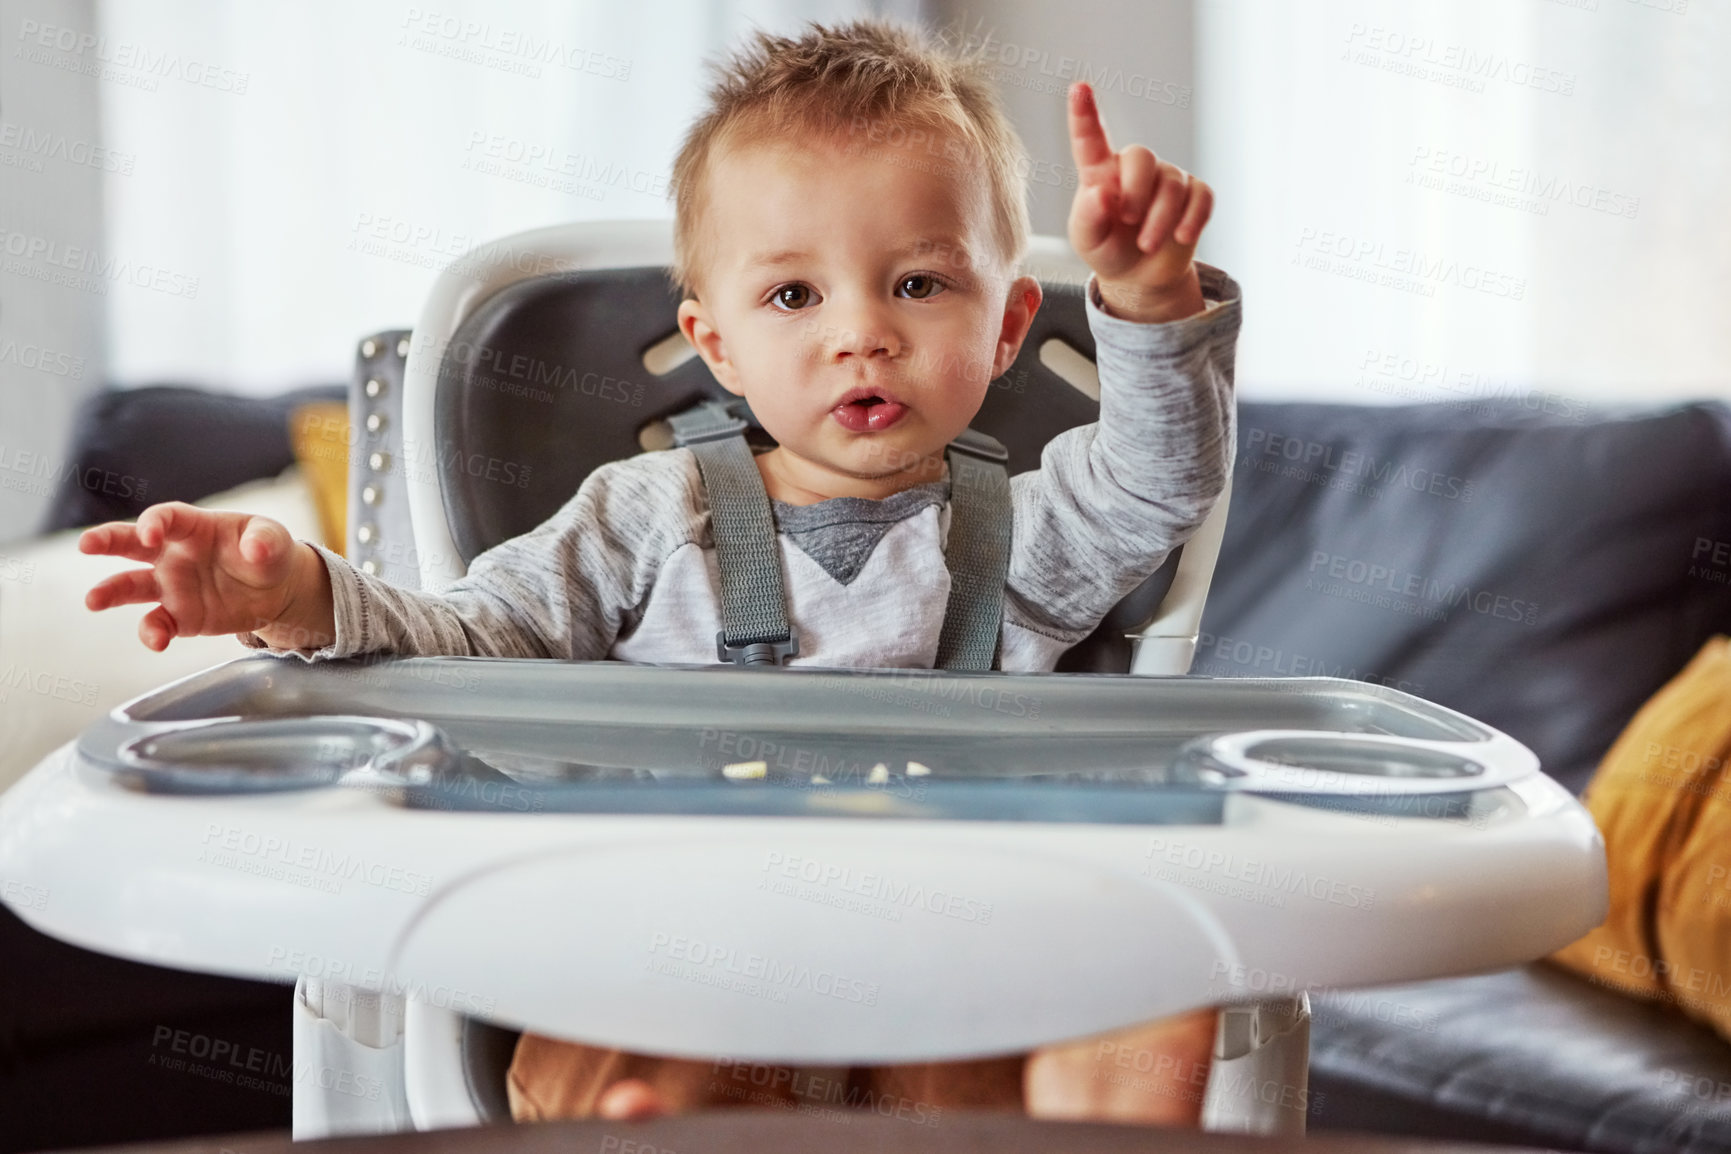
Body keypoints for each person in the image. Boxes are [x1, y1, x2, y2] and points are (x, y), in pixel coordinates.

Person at [81, 16, 1239, 1129]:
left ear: (1009, 322)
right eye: (795, 294)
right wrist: (299, 598)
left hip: (956, 969)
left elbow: (1159, 481)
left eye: (921, 283)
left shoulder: (1028, 534)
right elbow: (476, 640)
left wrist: (1144, 300)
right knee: (622, 1040)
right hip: (694, 950)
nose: (862, 333)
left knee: (1151, 1002)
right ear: (716, 342)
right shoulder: (645, 515)